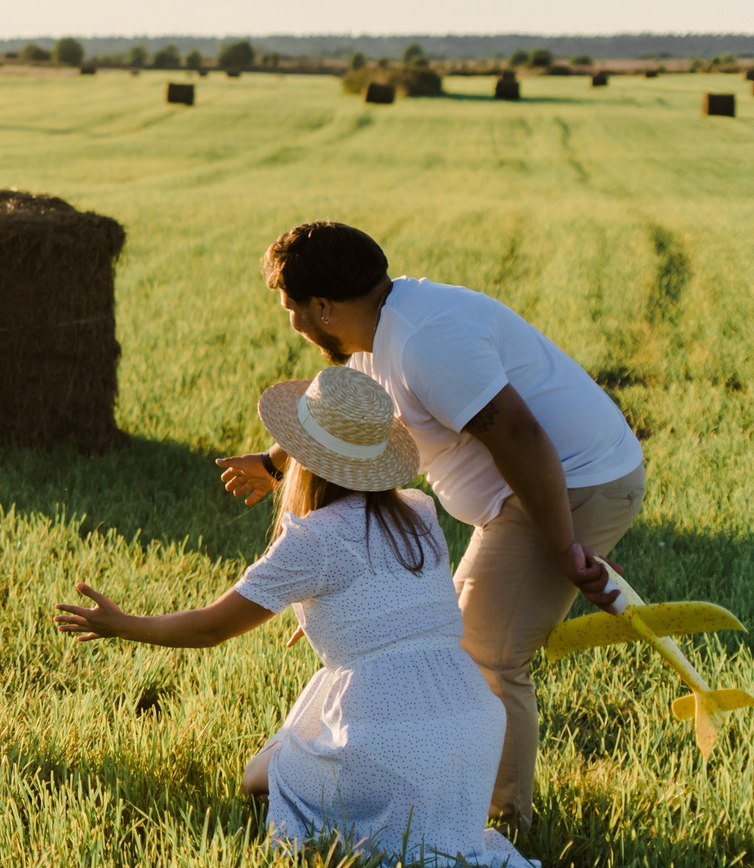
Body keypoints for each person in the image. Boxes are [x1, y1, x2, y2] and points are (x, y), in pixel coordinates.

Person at [215, 222, 646, 831]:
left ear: (324, 307)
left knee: (491, 657)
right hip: (526, 491)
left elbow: (522, 438)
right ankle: (451, 798)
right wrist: (270, 463)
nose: (294, 326)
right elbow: (340, 410)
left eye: (293, 311)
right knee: (453, 645)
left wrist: (565, 547)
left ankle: (497, 824)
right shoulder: (373, 329)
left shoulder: (424, 342)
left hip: (571, 483)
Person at [59, 365, 539, 868]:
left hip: (385, 737)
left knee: (255, 778)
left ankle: (356, 813)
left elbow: (209, 628)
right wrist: (326, 620)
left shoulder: (312, 540)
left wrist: (124, 624)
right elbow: (402, 607)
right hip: (471, 733)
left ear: (304, 458)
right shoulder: (419, 511)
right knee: (347, 755)